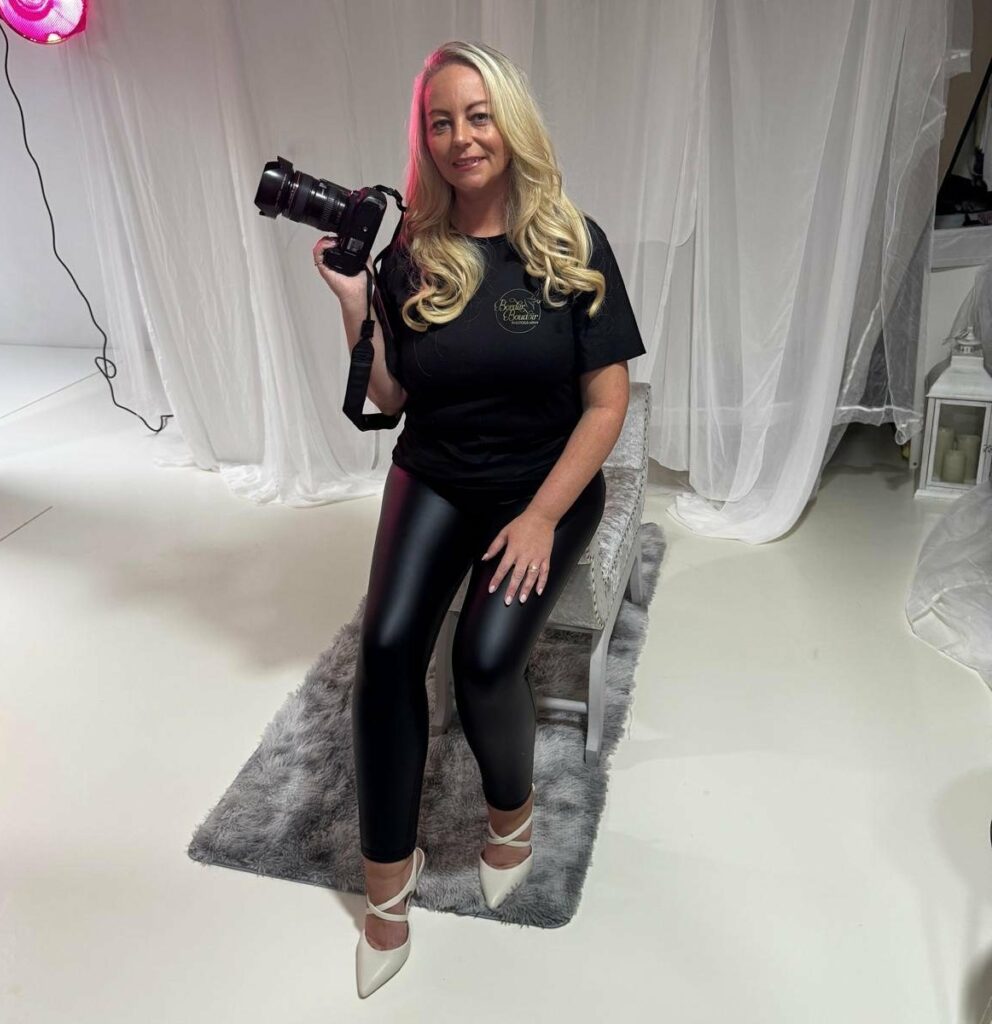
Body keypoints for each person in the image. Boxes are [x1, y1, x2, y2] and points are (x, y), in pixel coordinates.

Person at [313, 40, 645, 998]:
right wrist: (353, 307)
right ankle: (388, 886)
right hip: (438, 471)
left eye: (478, 114)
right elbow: (385, 398)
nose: (461, 137)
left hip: (547, 483)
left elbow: (607, 405)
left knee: (486, 660)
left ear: (511, 122)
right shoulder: (413, 253)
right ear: (426, 140)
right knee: (385, 655)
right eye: (440, 121)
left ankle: (513, 812)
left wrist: (543, 517)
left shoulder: (573, 242)